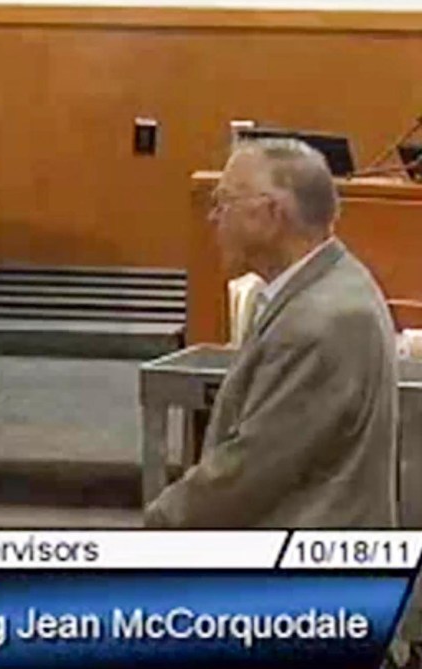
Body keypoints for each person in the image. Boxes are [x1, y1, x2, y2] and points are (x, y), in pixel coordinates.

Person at [145, 137, 398, 528]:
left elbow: (254, 466)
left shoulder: (320, 320)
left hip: (306, 567)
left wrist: (161, 522)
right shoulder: (328, 283)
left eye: (224, 202)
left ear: (271, 214)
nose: (214, 217)